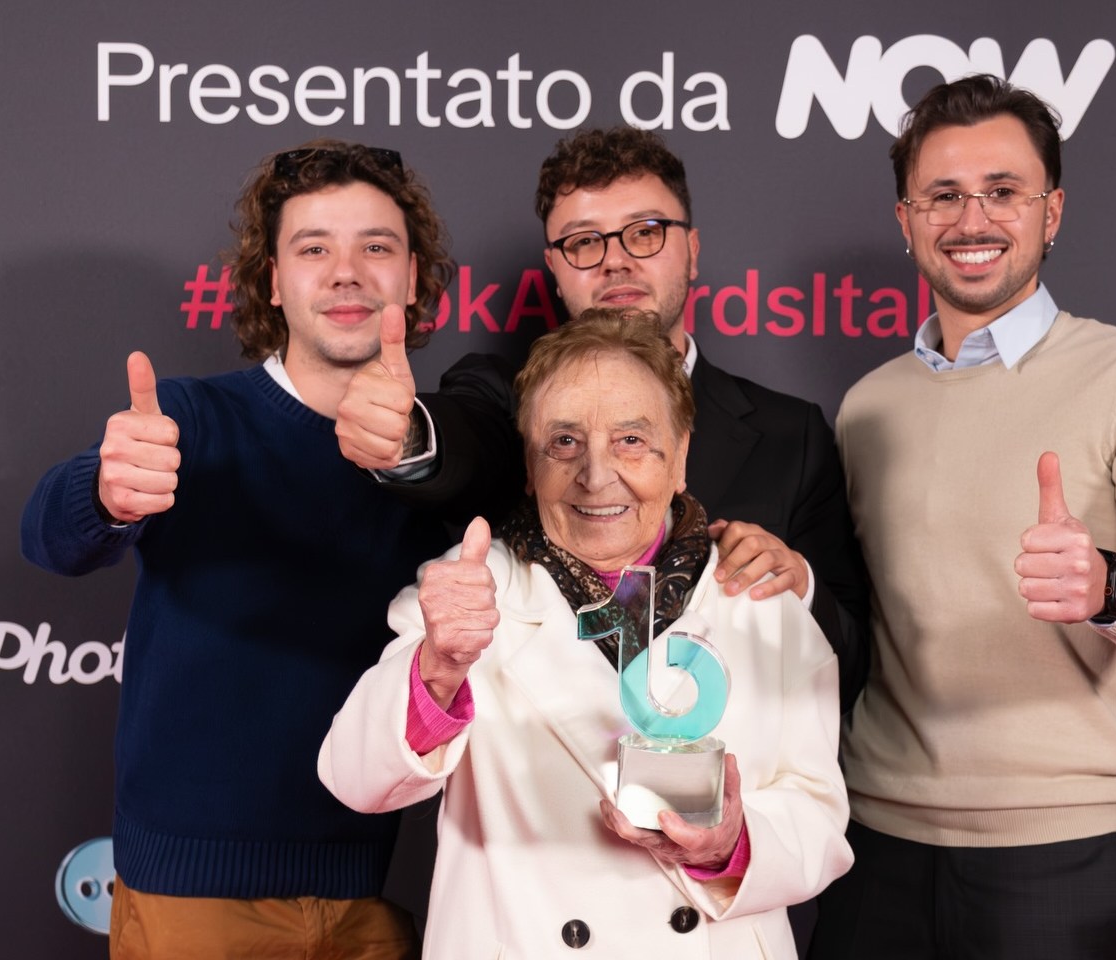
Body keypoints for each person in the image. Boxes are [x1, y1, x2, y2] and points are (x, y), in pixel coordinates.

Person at [21, 139, 516, 959]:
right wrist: (103, 493)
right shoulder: (191, 418)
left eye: (376, 248)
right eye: (314, 249)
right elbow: (50, 540)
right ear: (274, 281)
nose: (346, 273)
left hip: (378, 892)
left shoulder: (442, 451)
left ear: (414, 278)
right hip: (194, 900)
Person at [811, 75, 1116, 959]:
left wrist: (1109, 587)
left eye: (1003, 191)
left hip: (1057, 857)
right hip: (873, 850)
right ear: (906, 221)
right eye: (942, 195)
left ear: (1052, 212)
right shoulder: (867, 407)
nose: (971, 220)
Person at [319, 311, 853, 959]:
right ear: (528, 463)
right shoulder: (468, 590)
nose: (596, 476)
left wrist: (730, 846)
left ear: (681, 456)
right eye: (564, 442)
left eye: (631, 439)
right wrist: (437, 671)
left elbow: (819, 823)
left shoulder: (763, 601)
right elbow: (356, 780)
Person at [341, 126, 871, 706]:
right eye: (584, 242)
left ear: (693, 250)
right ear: (554, 267)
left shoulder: (791, 434)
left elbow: (850, 669)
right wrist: (408, 436)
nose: (616, 262)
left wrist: (800, 585)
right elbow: (466, 442)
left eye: (645, 232)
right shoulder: (505, 398)